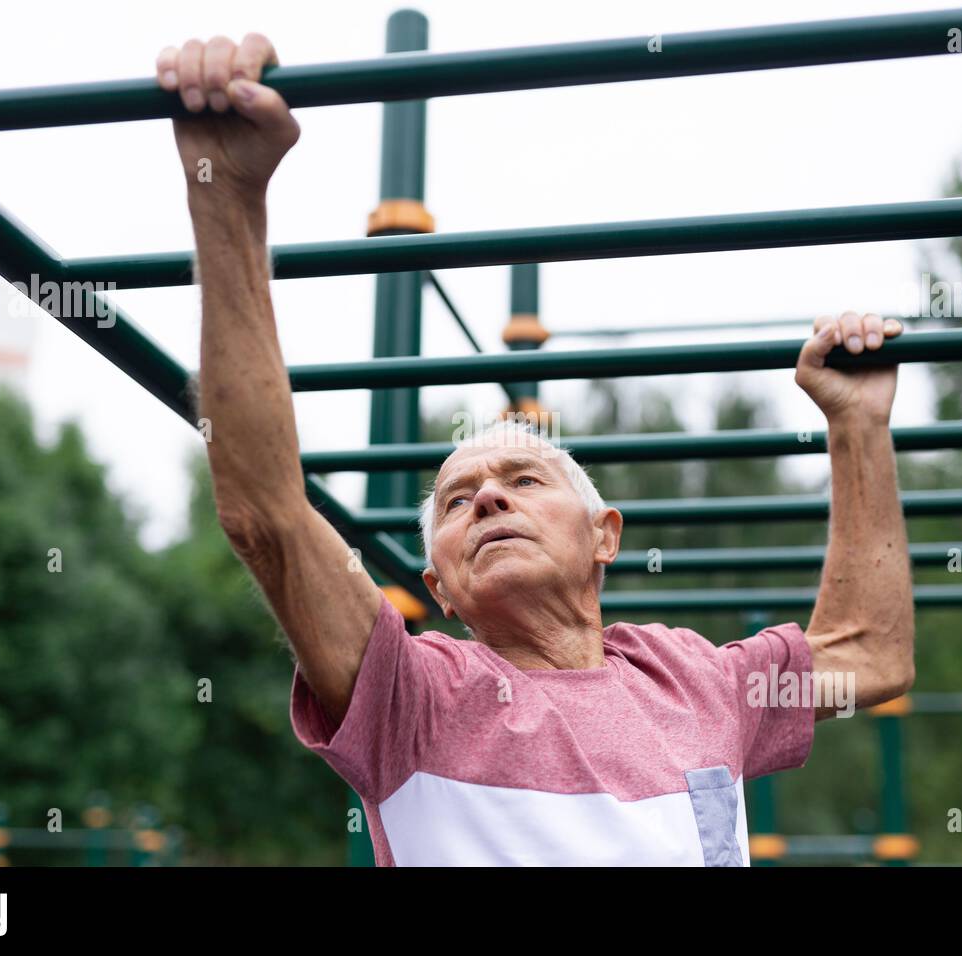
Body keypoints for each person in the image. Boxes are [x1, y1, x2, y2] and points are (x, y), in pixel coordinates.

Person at [155, 33, 915, 866]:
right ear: (439, 586)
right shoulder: (412, 699)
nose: (487, 498)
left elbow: (870, 653)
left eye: (525, 478)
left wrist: (857, 427)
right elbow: (267, 518)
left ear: (605, 535)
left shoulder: (696, 681)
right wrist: (226, 197)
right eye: (456, 499)